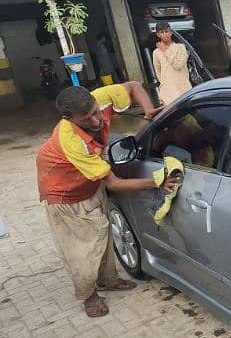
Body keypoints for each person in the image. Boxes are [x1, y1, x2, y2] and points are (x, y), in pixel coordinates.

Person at [36, 82, 177, 318]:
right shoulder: (71, 141)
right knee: (82, 248)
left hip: (89, 183)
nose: (95, 120)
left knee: (103, 234)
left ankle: (108, 279)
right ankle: (88, 295)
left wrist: (148, 109)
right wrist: (157, 182)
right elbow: (113, 183)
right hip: (64, 193)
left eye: (94, 112)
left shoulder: (99, 98)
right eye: (86, 119)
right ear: (69, 118)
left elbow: (133, 87)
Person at [152, 21, 191, 106]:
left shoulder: (181, 47)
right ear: (158, 35)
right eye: (162, 32)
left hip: (183, 89)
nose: (165, 34)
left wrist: (166, 50)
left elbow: (178, 65)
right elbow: (158, 73)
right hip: (168, 93)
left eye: (167, 31)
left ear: (171, 33)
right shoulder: (156, 52)